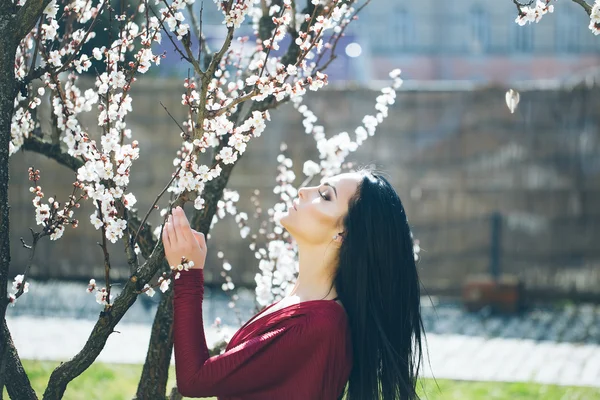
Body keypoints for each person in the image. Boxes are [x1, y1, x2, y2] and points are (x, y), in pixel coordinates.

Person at [163, 167, 425, 400]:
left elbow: (195, 379)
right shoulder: (303, 304)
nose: (302, 191)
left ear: (343, 234)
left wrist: (187, 275)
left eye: (325, 196)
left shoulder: (319, 324)